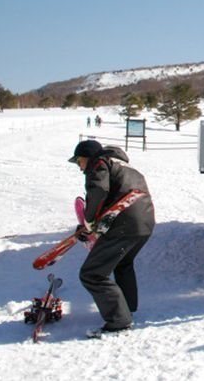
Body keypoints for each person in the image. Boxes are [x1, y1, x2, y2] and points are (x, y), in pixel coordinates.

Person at [69, 139, 156, 337]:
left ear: (87, 157)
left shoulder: (98, 164)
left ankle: (119, 321)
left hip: (125, 225)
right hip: (144, 223)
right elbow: (118, 197)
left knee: (92, 274)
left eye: (79, 162)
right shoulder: (125, 166)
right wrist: (91, 226)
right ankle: (127, 308)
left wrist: (89, 221)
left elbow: (99, 190)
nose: (80, 167)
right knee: (123, 264)